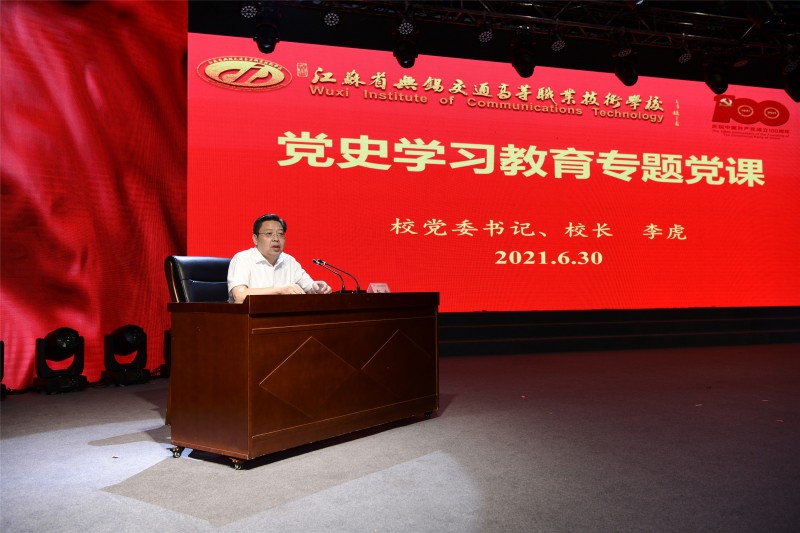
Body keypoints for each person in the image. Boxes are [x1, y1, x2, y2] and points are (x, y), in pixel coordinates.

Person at [227, 214, 332, 303]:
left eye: (280, 234)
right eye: (269, 234)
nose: (276, 239)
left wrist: (318, 289)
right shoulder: (242, 258)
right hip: (249, 318)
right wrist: (280, 290)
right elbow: (239, 296)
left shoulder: (289, 261)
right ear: (255, 239)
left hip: (284, 318)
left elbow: (310, 288)